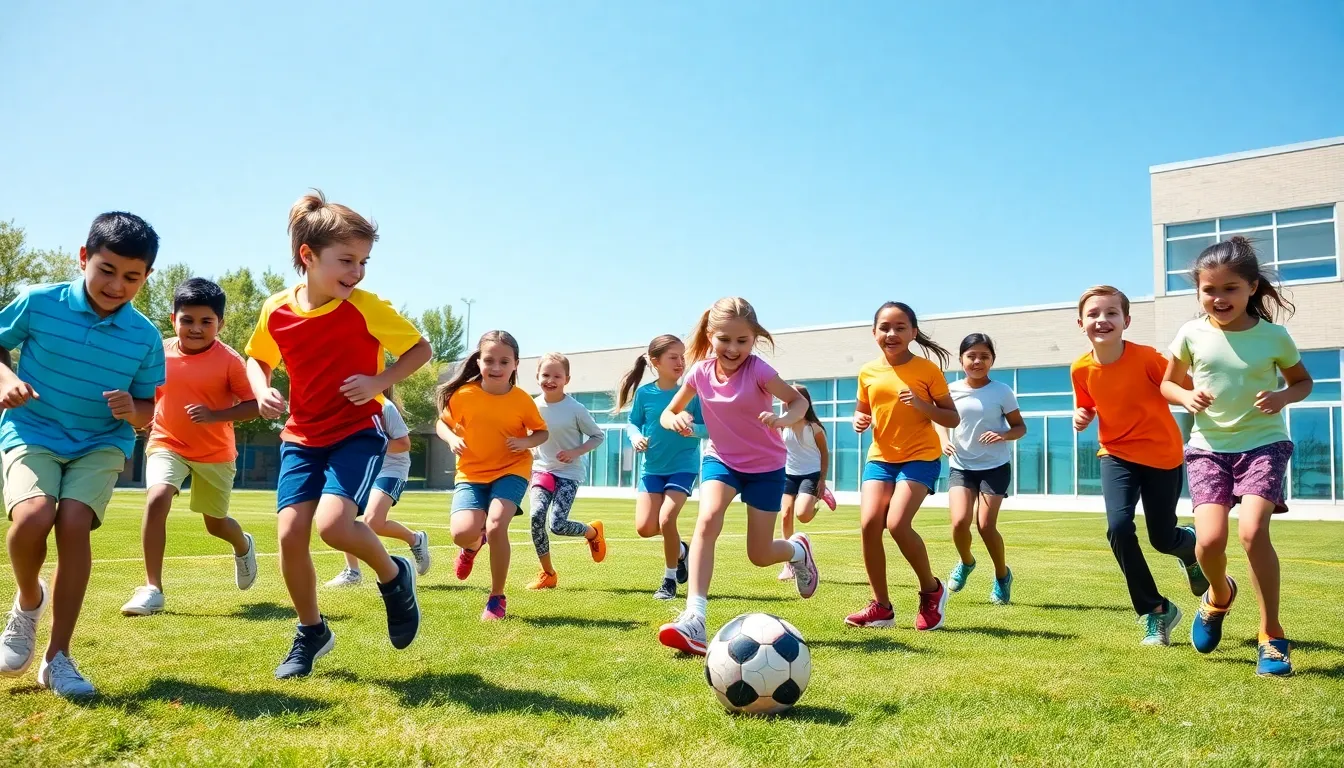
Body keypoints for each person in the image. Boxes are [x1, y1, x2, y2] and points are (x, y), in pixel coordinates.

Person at [246, 190, 430, 679]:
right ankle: (312, 631)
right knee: (289, 535)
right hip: (301, 436)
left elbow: (420, 349)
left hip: (357, 430)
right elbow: (257, 357)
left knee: (331, 527)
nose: (358, 272)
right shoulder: (276, 309)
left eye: (364, 261)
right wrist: (260, 387)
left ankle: (394, 577)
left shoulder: (367, 307)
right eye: (347, 260)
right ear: (308, 256)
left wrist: (378, 382)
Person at [0, 212, 166, 697]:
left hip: (100, 442)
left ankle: (58, 659)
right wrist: (7, 379)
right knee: (31, 518)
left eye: (132, 277)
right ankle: (29, 600)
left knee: (73, 524)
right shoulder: (38, 302)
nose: (117, 284)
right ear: (83, 258)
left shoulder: (145, 337)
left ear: (146, 277)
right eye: (107, 270)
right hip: (32, 430)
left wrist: (130, 408)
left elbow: (148, 409)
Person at [1160, 238, 1312, 677]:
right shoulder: (1191, 334)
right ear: (1198, 292)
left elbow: (1303, 382)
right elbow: (1168, 384)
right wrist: (1186, 395)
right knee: (1208, 542)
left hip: (1264, 444)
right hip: (1208, 450)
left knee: (1251, 531)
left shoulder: (1274, 337)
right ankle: (1219, 596)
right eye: (1209, 290)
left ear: (1251, 288)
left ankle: (1271, 635)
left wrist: (1283, 397)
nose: (1218, 298)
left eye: (1230, 289)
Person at [656, 297, 819, 656]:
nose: (733, 348)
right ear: (710, 336)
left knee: (759, 555)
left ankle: (797, 550)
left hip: (766, 467)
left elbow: (798, 403)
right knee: (707, 520)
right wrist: (676, 419)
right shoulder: (699, 372)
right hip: (722, 460)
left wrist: (783, 419)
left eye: (742, 341)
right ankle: (695, 618)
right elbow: (669, 412)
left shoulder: (759, 371)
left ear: (754, 338)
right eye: (724, 340)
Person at [1073, 285, 1207, 647]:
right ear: (1081, 323)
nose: (1103, 320)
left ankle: (1187, 545)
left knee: (1162, 539)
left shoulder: (1148, 358)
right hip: (1115, 454)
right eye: (1094, 314)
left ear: (1126, 320)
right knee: (1118, 527)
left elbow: (1186, 388)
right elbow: (1088, 401)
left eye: (1112, 313)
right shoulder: (1080, 369)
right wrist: (1082, 414)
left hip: (1162, 456)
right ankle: (1157, 610)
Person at [121, 278, 261, 617]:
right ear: (173, 320)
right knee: (156, 499)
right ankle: (152, 588)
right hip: (167, 442)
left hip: (215, 453)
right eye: (187, 320)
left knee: (215, 524)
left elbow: (254, 405)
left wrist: (216, 414)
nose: (195, 328)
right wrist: (142, 415)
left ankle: (243, 545)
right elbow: (146, 393)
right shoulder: (160, 353)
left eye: (205, 321)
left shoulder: (229, 361)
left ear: (220, 324)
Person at [846, 302, 959, 631]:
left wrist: (923, 405)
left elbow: (952, 416)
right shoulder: (867, 372)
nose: (891, 333)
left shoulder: (927, 370)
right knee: (869, 524)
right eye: (884, 327)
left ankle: (932, 590)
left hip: (920, 456)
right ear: (874, 333)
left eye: (899, 327)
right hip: (881, 456)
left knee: (896, 523)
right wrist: (860, 418)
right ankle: (881, 607)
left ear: (913, 332)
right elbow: (863, 408)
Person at [438, 331, 549, 621]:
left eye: (504, 361)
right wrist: (450, 438)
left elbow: (541, 432)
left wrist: (525, 442)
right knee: (462, 533)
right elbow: (442, 424)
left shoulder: (522, 400)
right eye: (489, 360)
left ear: (516, 364)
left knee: (497, 525)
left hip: (511, 468)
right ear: (479, 361)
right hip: (471, 472)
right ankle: (473, 546)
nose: (496, 367)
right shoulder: (464, 395)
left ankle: (496, 597)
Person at [617, 334, 707, 600]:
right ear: (655, 362)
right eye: (673, 357)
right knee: (645, 528)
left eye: (682, 357)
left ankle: (668, 581)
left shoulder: (692, 394)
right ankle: (680, 550)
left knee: (667, 519)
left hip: (683, 466)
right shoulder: (645, 394)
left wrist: (692, 430)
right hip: (652, 469)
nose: (680, 362)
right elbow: (633, 423)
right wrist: (635, 437)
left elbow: (709, 429)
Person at [942, 333, 1024, 604]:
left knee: (986, 526)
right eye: (972, 356)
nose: (978, 361)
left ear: (992, 360)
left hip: (994, 466)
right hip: (961, 465)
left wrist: (1003, 434)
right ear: (962, 359)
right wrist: (943, 440)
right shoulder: (950, 390)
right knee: (959, 522)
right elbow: (939, 418)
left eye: (984, 356)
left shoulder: (1002, 391)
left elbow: (1019, 427)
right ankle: (966, 562)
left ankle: (1002, 576)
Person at [326, 391, 432, 587]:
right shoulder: (342, 408)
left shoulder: (385, 407)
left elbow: (403, 444)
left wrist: (369, 447)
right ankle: (353, 572)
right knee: (342, 517)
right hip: (361, 468)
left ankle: (415, 539)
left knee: (373, 521)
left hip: (391, 470)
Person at [526, 352, 608, 590]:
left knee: (557, 525)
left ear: (567, 380)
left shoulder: (576, 409)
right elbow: (527, 434)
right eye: (545, 375)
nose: (550, 380)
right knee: (535, 517)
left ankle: (592, 532)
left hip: (568, 474)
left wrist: (575, 452)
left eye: (557, 376)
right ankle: (548, 574)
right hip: (542, 470)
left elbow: (597, 436)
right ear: (537, 376)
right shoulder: (532, 406)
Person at [777, 383, 830, 581]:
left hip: (811, 474)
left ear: (804, 402)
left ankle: (819, 499)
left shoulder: (814, 427)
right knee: (785, 515)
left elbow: (825, 453)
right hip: (789, 474)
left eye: (792, 397)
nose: (786, 401)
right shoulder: (783, 424)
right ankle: (788, 563)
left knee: (803, 515)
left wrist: (822, 480)